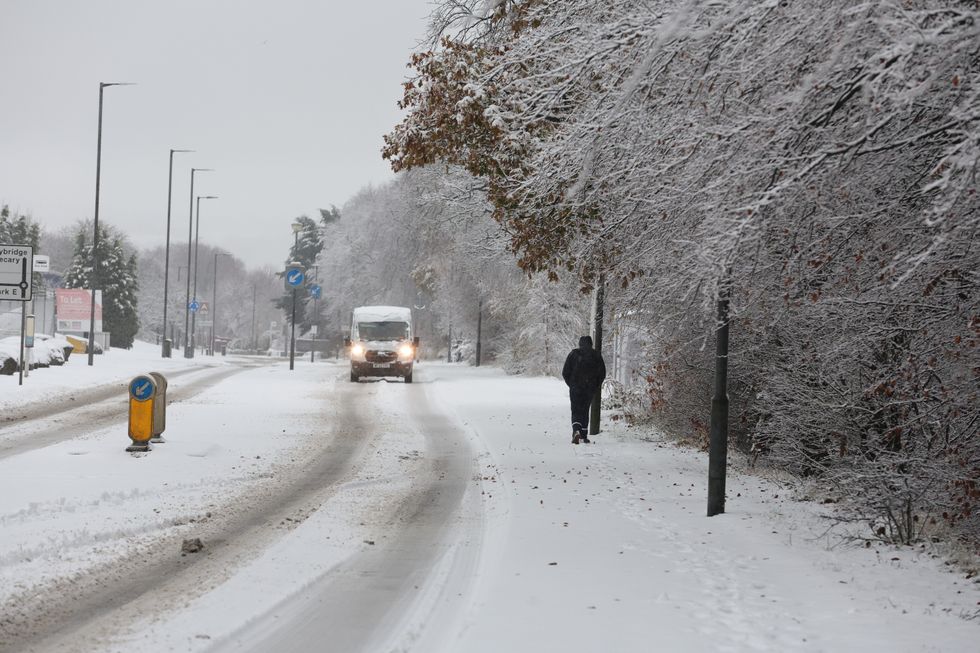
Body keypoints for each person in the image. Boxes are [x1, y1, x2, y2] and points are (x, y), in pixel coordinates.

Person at [561, 335, 606, 445]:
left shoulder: (573, 354)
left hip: (575, 387)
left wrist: (571, 384)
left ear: (580, 343)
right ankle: (584, 435)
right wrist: (595, 385)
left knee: (576, 409)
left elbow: (565, 372)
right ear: (591, 343)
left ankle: (576, 430)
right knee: (585, 410)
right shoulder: (596, 355)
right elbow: (602, 373)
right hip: (589, 388)